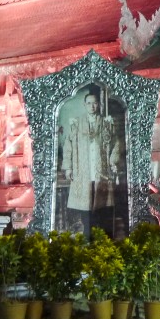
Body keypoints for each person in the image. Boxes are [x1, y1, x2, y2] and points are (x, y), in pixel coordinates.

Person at [61, 88, 122, 236]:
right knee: (86, 208)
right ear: (85, 105)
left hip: (100, 171)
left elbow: (116, 144)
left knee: (101, 208)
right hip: (83, 171)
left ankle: (101, 238)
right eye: (89, 103)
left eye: (95, 103)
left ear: (98, 105)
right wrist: (68, 168)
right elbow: (68, 147)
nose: (92, 106)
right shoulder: (76, 124)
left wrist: (113, 161)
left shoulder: (106, 123)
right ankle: (88, 237)